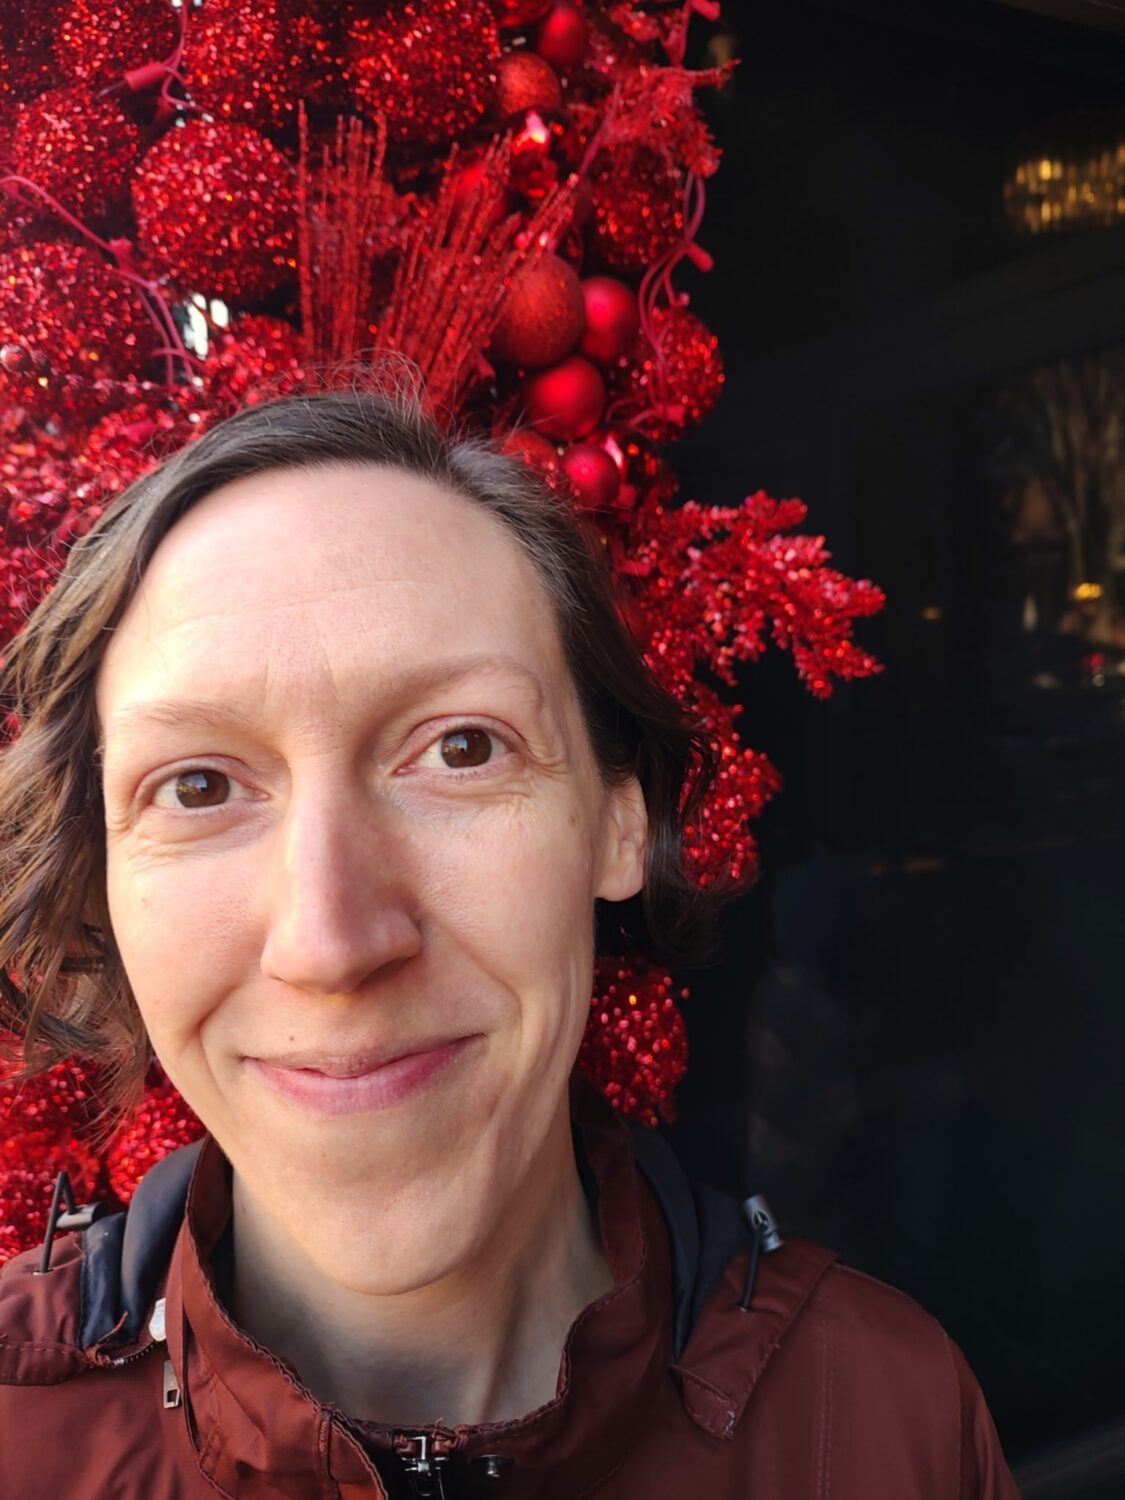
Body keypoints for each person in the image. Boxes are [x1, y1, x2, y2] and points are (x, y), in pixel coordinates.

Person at [0, 387, 1020, 1498]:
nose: (331, 941)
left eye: (461, 749)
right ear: (100, 877)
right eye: (198, 786)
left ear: (619, 819)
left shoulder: (885, 1425)